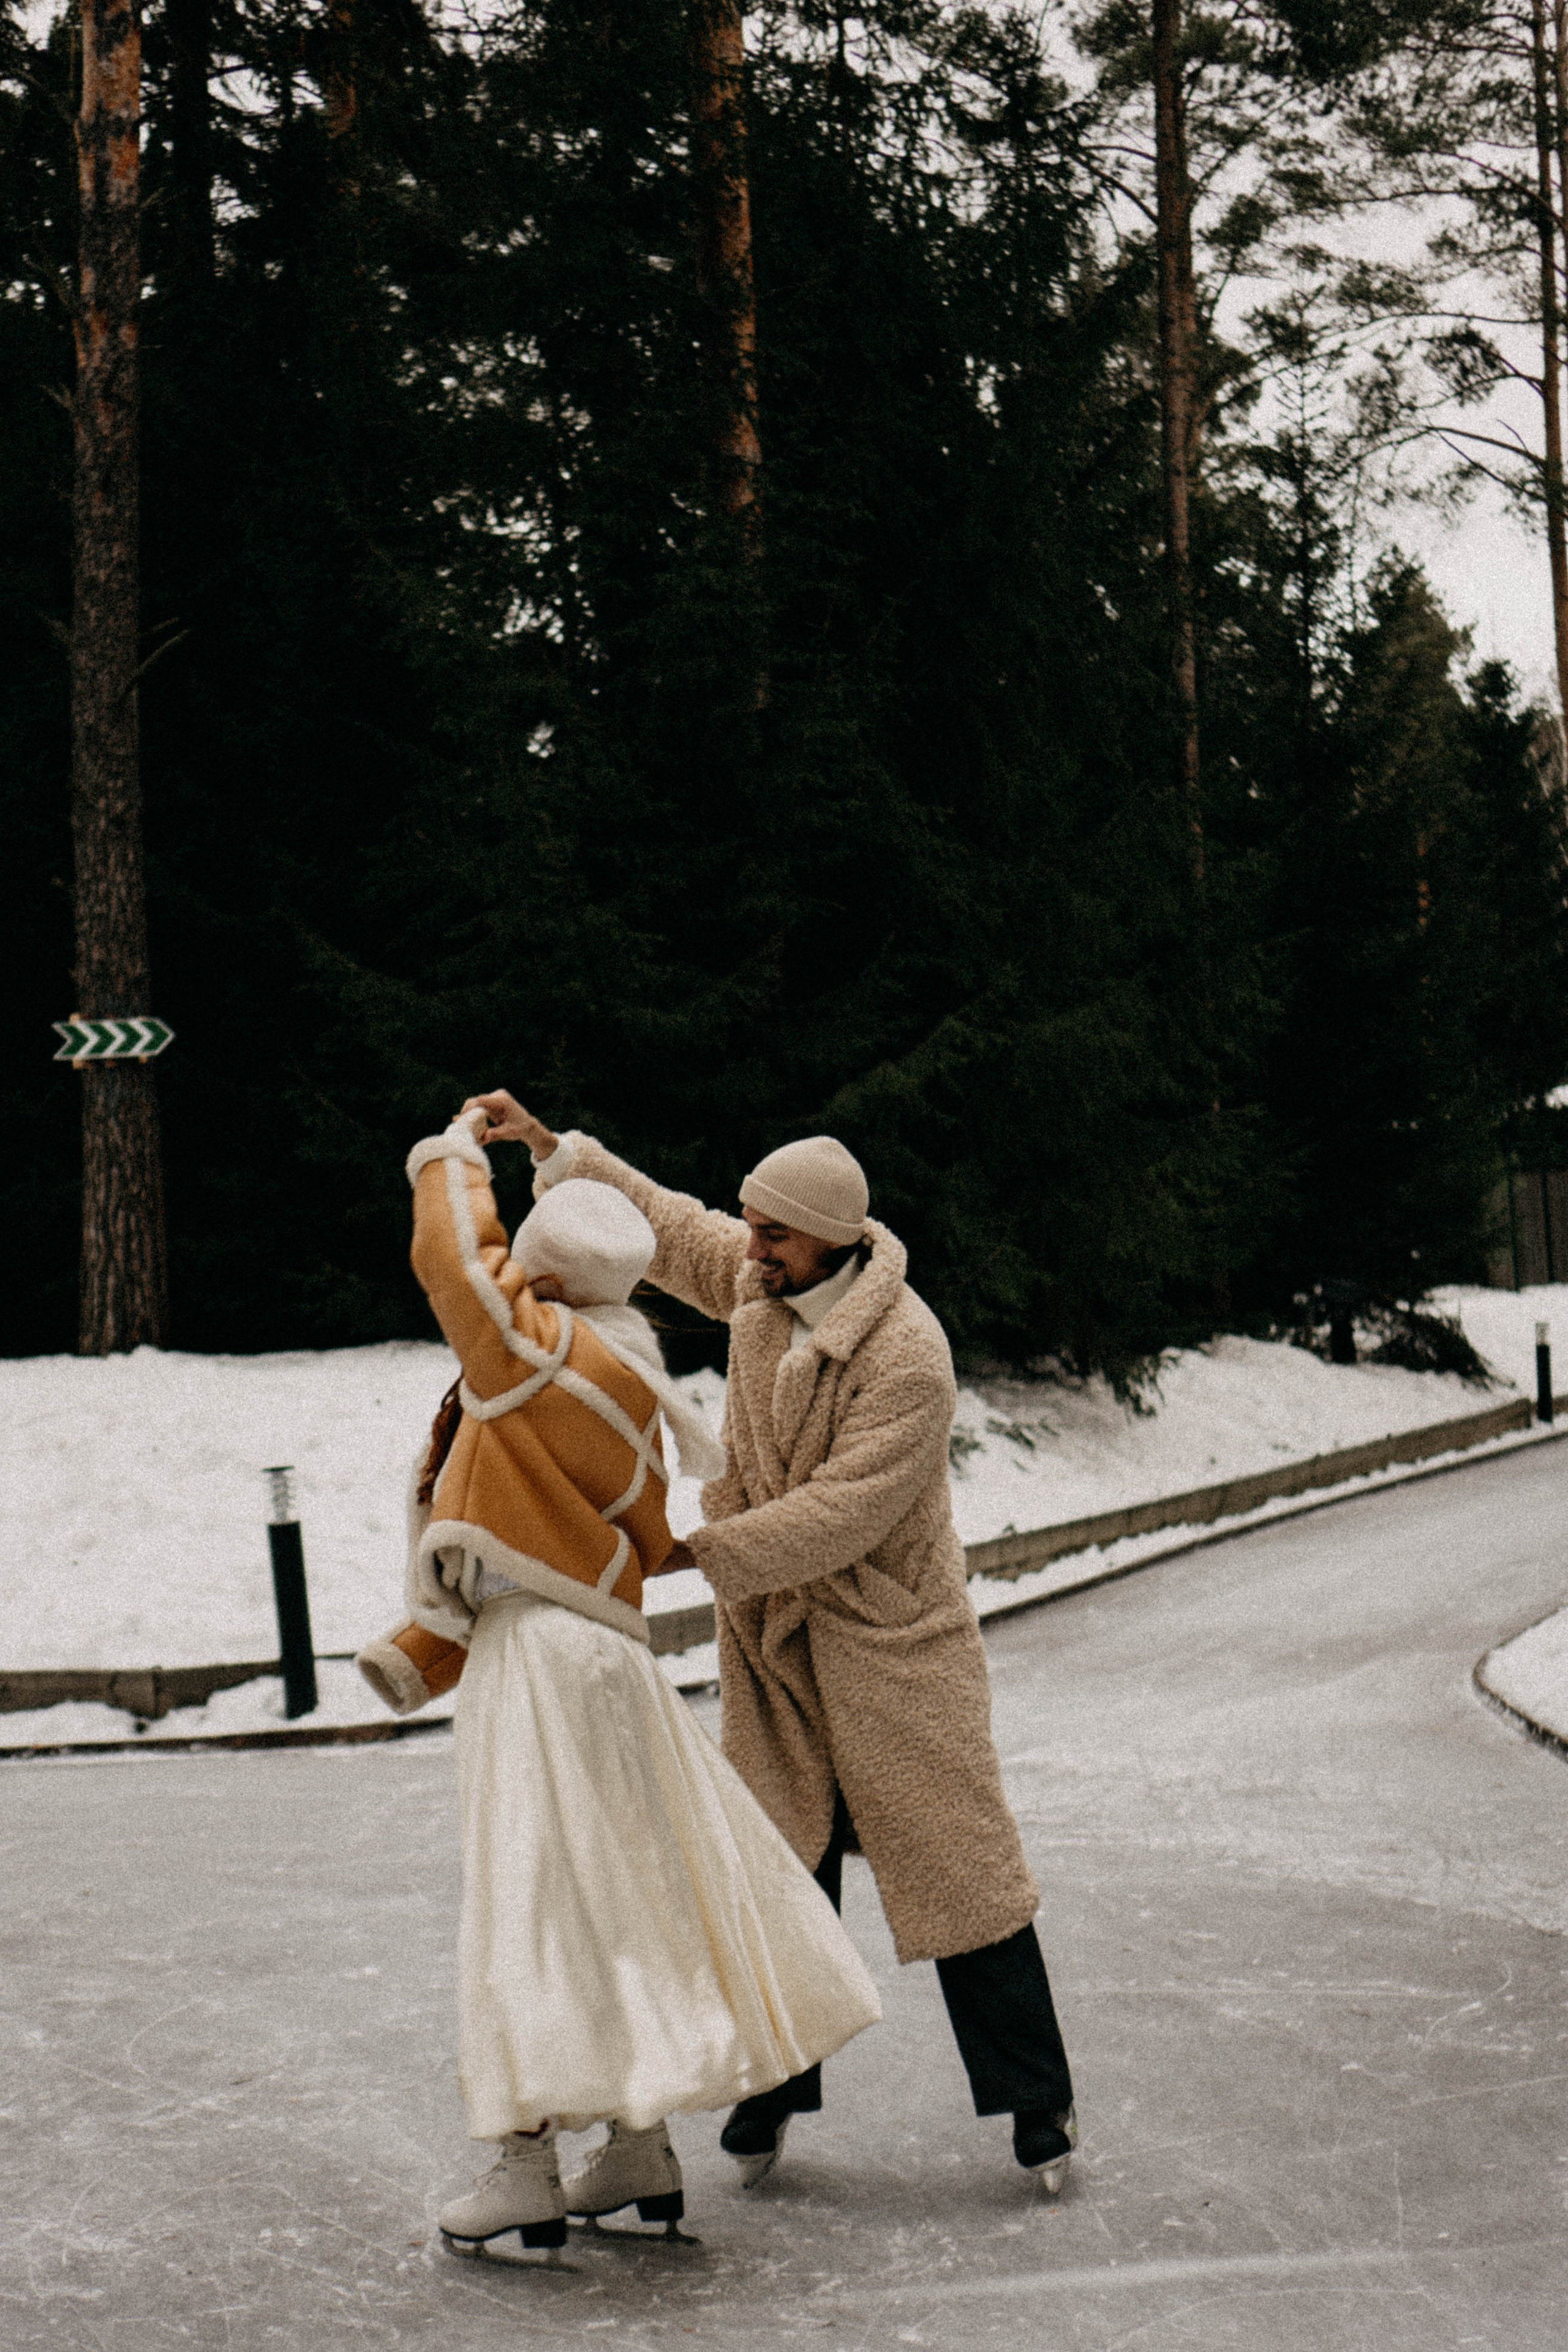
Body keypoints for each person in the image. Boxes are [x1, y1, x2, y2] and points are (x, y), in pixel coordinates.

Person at [461, 1090, 1079, 2194]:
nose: (751, 1248)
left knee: (962, 1873)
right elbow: (666, 1222)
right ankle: (770, 2100)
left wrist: (696, 1550)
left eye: (773, 1232)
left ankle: (1040, 2103)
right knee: (776, 1873)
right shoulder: (759, 1289)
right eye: (752, 1228)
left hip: (892, 1644)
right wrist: (556, 1152)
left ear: (832, 1239)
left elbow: (846, 1511)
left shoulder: (908, 1354)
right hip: (784, 1653)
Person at [392, 1109, 881, 2255]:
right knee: (614, 1895)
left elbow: (448, 1255)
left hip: (541, 1658)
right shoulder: (631, 1368)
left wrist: (453, 1148)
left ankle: (525, 2160)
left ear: (545, 1268)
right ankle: (637, 2144)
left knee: (530, 1896)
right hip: (611, 1660)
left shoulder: (534, 1358)